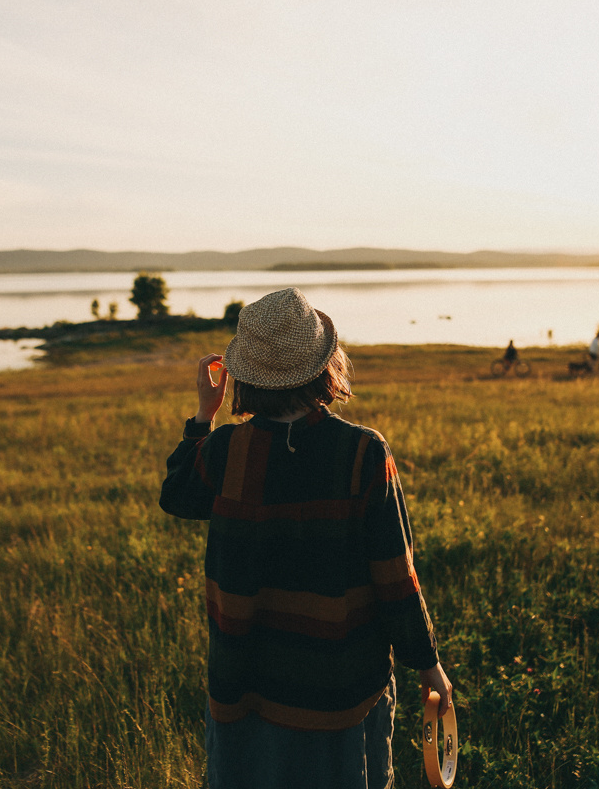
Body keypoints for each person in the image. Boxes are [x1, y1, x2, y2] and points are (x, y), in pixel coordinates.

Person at [160, 287, 451, 789]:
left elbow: (178, 496)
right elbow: (394, 576)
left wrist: (204, 417)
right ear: (324, 366)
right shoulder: (361, 453)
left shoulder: (228, 448)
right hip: (338, 690)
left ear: (244, 380)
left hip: (245, 685)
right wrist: (429, 666)